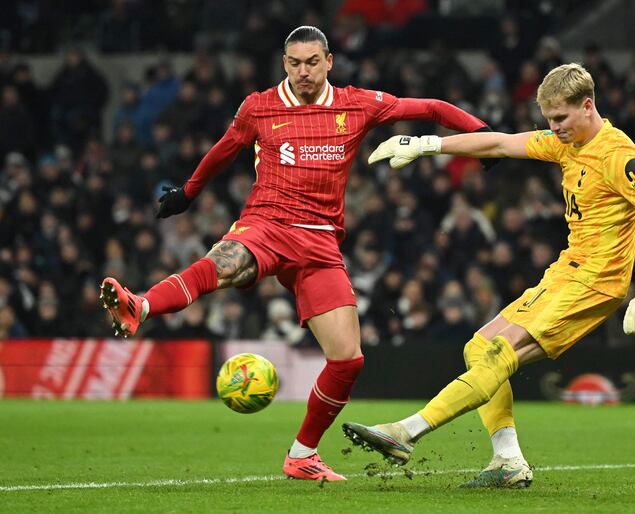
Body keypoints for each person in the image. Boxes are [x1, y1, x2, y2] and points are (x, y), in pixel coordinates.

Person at [100, 26, 493, 482]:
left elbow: (432, 107)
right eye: (294, 63)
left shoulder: (357, 104)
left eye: (311, 62)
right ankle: (140, 305)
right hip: (266, 222)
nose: (303, 71)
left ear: (329, 61)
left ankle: (302, 455)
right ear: (283, 63)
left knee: (348, 359)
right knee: (225, 263)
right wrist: (188, 192)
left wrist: (480, 135)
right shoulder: (259, 106)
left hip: (321, 243)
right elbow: (226, 149)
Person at [342, 63, 635, 488]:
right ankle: (508, 461)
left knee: (501, 350)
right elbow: (502, 143)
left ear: (587, 106)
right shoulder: (568, 144)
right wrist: (428, 144)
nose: (554, 127)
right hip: (566, 271)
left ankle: (406, 432)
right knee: (481, 344)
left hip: (596, 281)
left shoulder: (619, 155)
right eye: (549, 120)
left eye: (560, 118)